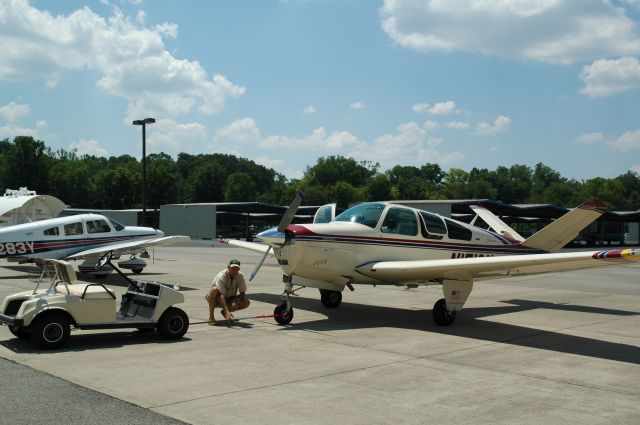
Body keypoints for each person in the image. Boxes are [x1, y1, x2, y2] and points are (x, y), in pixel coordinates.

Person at [206, 259, 250, 324]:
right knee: (214, 290)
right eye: (233, 268)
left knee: (246, 302)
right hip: (216, 298)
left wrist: (237, 300)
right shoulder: (221, 276)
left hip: (229, 298)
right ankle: (211, 317)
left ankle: (225, 312)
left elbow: (242, 292)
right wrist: (227, 311)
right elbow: (221, 295)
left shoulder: (240, 276)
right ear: (228, 267)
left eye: (237, 269)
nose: (235, 271)